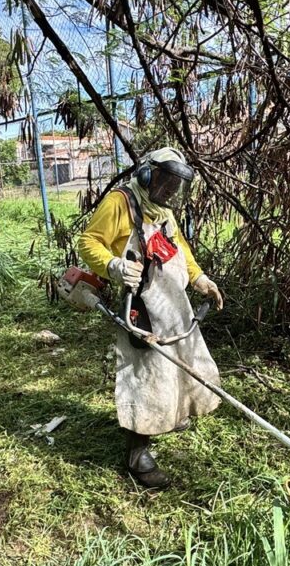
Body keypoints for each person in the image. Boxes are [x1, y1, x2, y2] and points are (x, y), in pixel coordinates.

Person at [77, 147, 224, 489]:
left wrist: (200, 278)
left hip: (171, 301)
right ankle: (137, 453)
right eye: (165, 180)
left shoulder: (163, 212)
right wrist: (114, 266)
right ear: (147, 174)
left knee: (175, 362)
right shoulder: (121, 202)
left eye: (176, 184)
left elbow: (179, 249)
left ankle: (170, 415)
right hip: (139, 305)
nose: (170, 189)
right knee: (145, 372)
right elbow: (89, 242)